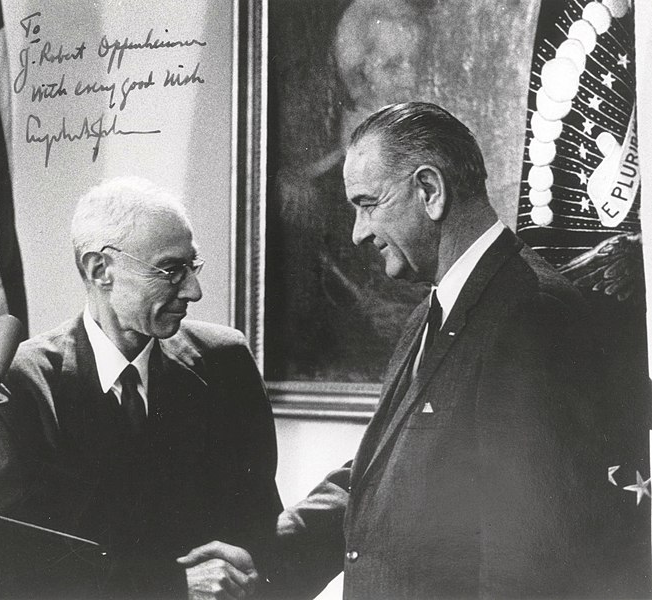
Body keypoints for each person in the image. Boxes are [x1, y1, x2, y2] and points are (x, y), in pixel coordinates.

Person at [181, 103, 632, 598]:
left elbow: (529, 558)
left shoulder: (531, 316)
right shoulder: (434, 310)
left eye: (368, 203)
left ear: (430, 191)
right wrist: (263, 558)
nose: (358, 232)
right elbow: (383, 471)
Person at [0, 176, 282, 598]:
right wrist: (168, 587)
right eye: (171, 270)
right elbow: (9, 564)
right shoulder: (24, 383)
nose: (194, 289)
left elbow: (260, 522)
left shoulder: (225, 361)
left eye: (193, 266)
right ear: (100, 270)